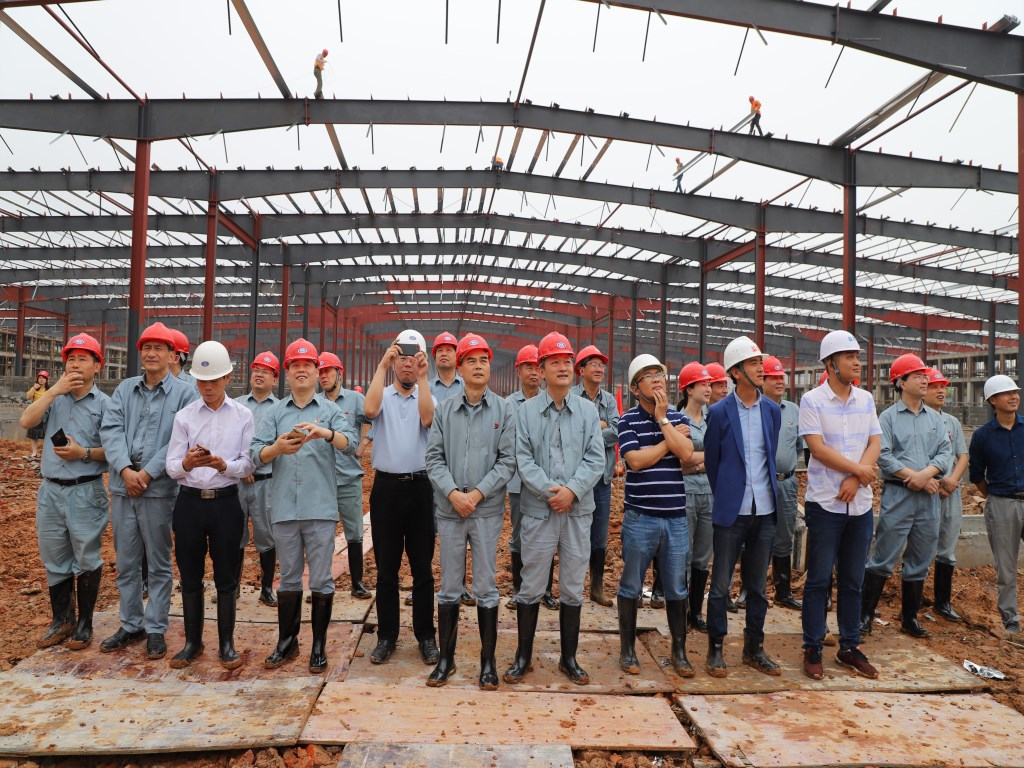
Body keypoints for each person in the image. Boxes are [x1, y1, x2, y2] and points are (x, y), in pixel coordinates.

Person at [504, 332, 604, 686]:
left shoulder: (588, 412)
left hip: (577, 511)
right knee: (531, 584)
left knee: (573, 586)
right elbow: (522, 459)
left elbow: (596, 458)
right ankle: (523, 657)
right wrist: (552, 492)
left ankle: (569, 658)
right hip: (539, 511)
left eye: (567, 362)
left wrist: (572, 491)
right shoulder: (525, 412)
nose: (562, 367)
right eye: (554, 362)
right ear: (542, 369)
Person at [251, 338, 355, 673]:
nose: (301, 370)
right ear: (287, 372)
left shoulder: (331, 411)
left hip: (320, 508)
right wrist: (277, 449)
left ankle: (319, 646)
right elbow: (255, 453)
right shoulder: (276, 413)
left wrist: (325, 433)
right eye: (295, 365)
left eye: (307, 365)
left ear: (316, 371)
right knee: (289, 578)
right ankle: (287, 642)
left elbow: (350, 444)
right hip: (284, 507)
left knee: (321, 580)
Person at [99, 322, 198, 660]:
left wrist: (147, 472)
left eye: (159, 348)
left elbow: (180, 440)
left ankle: (155, 628)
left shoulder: (185, 394)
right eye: (147, 348)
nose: (152, 353)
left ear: (172, 355)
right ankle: (131, 624)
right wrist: (126, 469)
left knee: (157, 562)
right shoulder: (125, 390)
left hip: (158, 490)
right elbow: (111, 430)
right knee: (126, 562)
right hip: (124, 487)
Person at [425, 333, 516, 688]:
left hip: (485, 511)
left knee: (486, 585)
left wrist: (476, 495)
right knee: (449, 586)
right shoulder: (445, 410)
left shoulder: (504, 410)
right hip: (450, 511)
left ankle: (487, 662)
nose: (479, 366)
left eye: (484, 360)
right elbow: (434, 458)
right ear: (460, 369)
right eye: (471, 361)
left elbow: (507, 461)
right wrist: (452, 493)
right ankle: (445, 660)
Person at [165, 341, 255, 669]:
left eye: (214, 381)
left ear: (227, 378)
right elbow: (171, 466)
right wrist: (187, 464)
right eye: (202, 381)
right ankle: (193, 642)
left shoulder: (243, 416)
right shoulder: (185, 417)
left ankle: (227, 644)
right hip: (189, 504)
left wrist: (223, 466)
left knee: (226, 576)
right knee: (190, 575)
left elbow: (248, 463)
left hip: (225, 503)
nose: (208, 387)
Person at [798, 331, 881, 681]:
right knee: (818, 580)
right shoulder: (812, 401)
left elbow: (874, 441)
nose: (857, 362)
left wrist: (857, 478)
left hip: (859, 506)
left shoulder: (866, 399)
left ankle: (849, 646)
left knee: (852, 580)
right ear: (831, 364)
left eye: (857, 356)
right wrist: (858, 471)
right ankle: (813, 645)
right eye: (849, 357)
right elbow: (817, 449)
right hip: (825, 505)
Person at [20, 333, 109, 650]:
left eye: (83, 359)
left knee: (86, 556)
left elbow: (115, 452)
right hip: (51, 491)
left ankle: (84, 624)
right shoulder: (53, 397)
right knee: (54, 556)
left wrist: (82, 453)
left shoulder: (105, 405)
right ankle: (62, 620)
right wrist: (54, 390)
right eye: (71, 359)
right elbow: (26, 420)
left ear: (97, 366)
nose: (75, 364)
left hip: (85, 490)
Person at [704, 335, 781, 678]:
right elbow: (713, 463)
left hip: (765, 511)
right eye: (753, 364)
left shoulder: (772, 411)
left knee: (758, 587)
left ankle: (754, 648)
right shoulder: (719, 413)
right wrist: (728, 495)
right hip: (731, 513)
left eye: (760, 362)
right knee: (721, 584)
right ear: (736, 372)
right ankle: (716, 648)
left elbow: (770, 455)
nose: (761, 369)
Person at [861, 353, 952, 640]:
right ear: (901, 382)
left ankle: (910, 618)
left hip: (928, 498)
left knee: (920, 558)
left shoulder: (935, 419)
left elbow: (945, 453)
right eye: (918, 376)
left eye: (925, 375)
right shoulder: (887, 418)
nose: (925, 380)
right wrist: (916, 478)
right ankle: (864, 616)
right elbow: (884, 455)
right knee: (884, 555)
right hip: (899, 495)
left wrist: (926, 475)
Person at [362, 329, 438, 666]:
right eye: (401, 357)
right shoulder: (383, 395)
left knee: (422, 568)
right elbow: (369, 410)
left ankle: (426, 635)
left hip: (420, 489)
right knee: (386, 569)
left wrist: (424, 378)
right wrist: (381, 366)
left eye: (413, 358)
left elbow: (427, 417)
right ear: (394, 361)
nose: (407, 363)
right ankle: (387, 635)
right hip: (387, 491)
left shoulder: (426, 394)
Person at [616, 354, 695, 678]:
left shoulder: (676, 417)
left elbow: (686, 454)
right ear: (636, 389)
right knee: (631, 585)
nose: (657, 379)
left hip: (675, 518)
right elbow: (635, 461)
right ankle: (627, 650)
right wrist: (668, 440)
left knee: (677, 587)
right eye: (648, 376)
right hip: (640, 517)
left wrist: (663, 421)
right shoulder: (627, 421)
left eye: (659, 374)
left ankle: (679, 651)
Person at [968, 375, 1024, 635]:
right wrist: (997, 496)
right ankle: (1011, 620)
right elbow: (976, 475)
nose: (1014, 397)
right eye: (1007, 393)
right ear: (992, 400)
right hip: (1002, 505)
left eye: (1015, 392)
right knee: (1006, 566)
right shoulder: (983, 436)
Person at [318, 351, 372, 599]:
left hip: (348, 478)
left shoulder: (355, 400)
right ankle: (320, 583)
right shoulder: (315, 402)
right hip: (321, 481)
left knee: (354, 532)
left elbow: (378, 419)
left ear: (339, 373)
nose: (323, 376)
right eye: (320, 372)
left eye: (328, 371)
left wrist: (364, 444)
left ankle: (357, 583)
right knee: (321, 535)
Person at [571, 344, 619, 608]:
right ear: (581, 370)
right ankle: (573, 587)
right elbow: (570, 432)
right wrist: (599, 426)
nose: (599, 368)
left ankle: (596, 587)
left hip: (602, 478)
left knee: (599, 535)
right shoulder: (572, 396)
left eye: (601, 365)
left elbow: (617, 430)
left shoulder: (609, 400)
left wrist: (589, 431)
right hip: (577, 478)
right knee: (575, 532)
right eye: (594, 364)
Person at [505, 344, 551, 609]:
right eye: (528, 367)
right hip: (518, 481)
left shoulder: (551, 401)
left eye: (536, 367)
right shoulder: (509, 405)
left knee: (548, 532)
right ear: (519, 371)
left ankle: (545, 589)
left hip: (546, 480)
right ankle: (519, 588)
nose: (533, 372)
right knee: (519, 534)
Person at [922, 368, 969, 623]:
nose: (941, 391)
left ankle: (942, 602)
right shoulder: (917, 420)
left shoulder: (952, 422)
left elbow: (962, 456)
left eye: (943, 386)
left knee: (947, 548)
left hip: (950, 492)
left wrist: (951, 481)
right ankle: (914, 598)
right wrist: (934, 481)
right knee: (918, 546)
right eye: (934, 386)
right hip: (924, 490)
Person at [236, 351, 281, 607]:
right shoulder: (237, 404)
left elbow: (280, 446)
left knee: (266, 536)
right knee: (235, 534)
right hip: (237, 482)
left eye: (266, 371)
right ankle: (233, 588)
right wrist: (243, 468)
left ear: (275, 379)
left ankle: (266, 589)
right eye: (256, 370)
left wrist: (255, 465)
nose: (259, 374)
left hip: (266, 481)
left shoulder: (280, 408)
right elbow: (228, 439)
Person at [429, 331, 471, 606]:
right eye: (440, 350)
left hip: (459, 467)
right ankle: (425, 584)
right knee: (427, 530)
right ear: (434, 357)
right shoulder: (424, 388)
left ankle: (460, 585)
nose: (444, 353)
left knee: (461, 530)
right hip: (430, 466)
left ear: (458, 357)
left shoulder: (467, 386)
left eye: (449, 349)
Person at [761, 356, 803, 611]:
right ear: (761, 380)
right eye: (774, 377)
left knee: (784, 536)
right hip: (761, 482)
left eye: (781, 377)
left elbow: (798, 446)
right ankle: (748, 591)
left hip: (786, 483)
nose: (780, 382)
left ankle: (783, 591)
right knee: (756, 534)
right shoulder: (755, 408)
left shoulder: (793, 410)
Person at [677, 362, 715, 631]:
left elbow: (719, 455)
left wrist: (696, 462)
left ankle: (696, 612)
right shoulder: (677, 421)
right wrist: (704, 461)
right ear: (689, 389)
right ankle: (681, 610)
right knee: (684, 555)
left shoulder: (714, 419)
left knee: (703, 557)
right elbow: (680, 459)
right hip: (685, 494)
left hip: (710, 495)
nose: (708, 389)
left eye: (709, 384)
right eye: (703, 384)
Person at [25, 370, 50, 460]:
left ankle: (46, 452)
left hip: (46, 414)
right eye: (40, 378)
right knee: (33, 433)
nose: (41, 380)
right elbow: (28, 397)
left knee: (47, 433)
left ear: (46, 380)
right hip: (35, 414)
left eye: (43, 378)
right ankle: (34, 452)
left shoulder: (49, 390)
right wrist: (34, 388)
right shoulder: (34, 389)